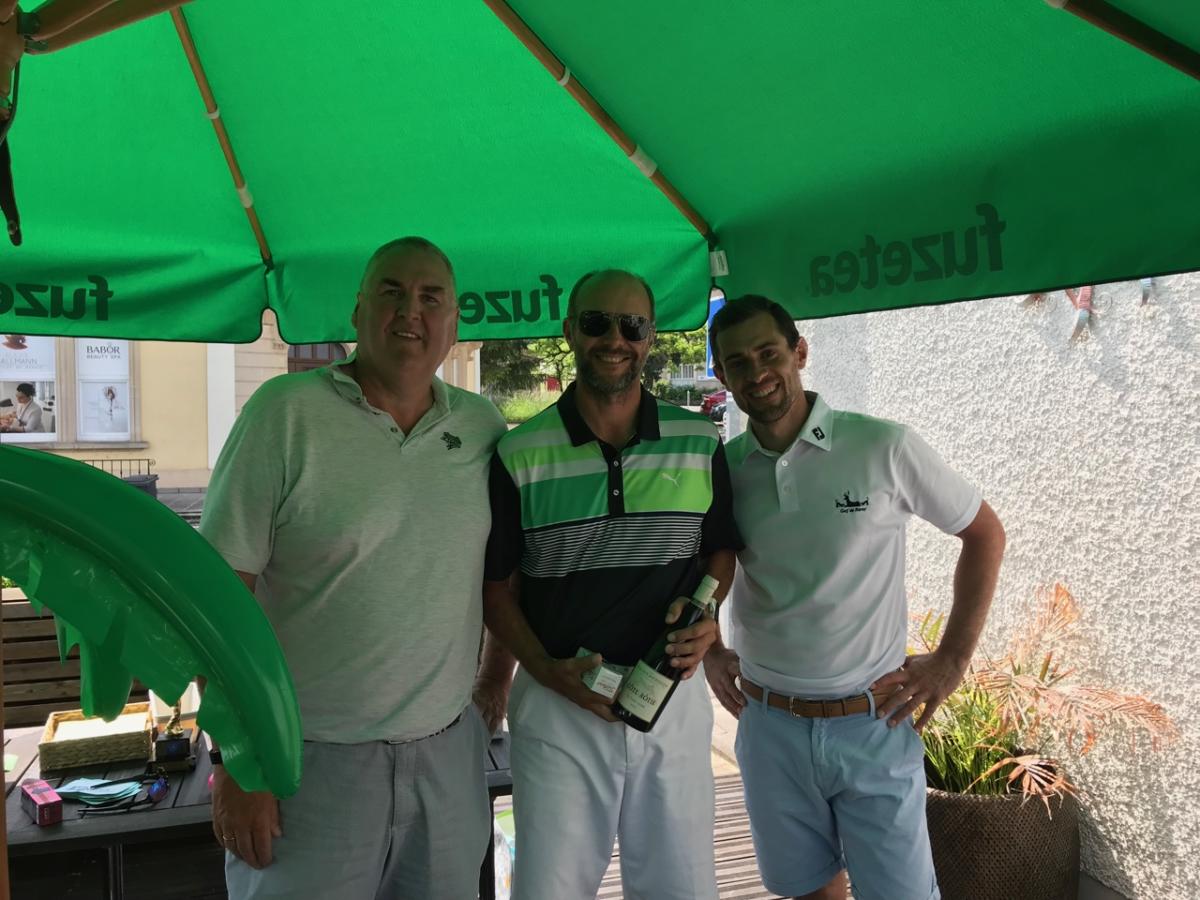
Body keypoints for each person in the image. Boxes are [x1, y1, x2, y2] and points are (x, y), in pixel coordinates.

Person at [198, 237, 508, 900]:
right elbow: (216, 600)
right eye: (391, 292)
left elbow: (504, 573)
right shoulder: (283, 414)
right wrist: (237, 760)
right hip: (304, 767)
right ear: (358, 311)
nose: (411, 311)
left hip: (447, 764)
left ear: (455, 323)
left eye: (431, 297)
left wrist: (493, 682)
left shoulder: (483, 427)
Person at [704, 295, 1006, 900]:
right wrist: (711, 645)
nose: (757, 372)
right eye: (737, 362)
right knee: (810, 892)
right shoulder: (723, 469)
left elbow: (984, 534)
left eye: (768, 353)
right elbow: (707, 561)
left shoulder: (883, 446)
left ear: (800, 352)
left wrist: (952, 659)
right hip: (769, 727)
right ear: (723, 377)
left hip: (873, 722)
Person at [476, 269, 742, 900]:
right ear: (570, 330)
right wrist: (543, 670)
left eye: (632, 325)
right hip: (559, 711)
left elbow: (720, 551)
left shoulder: (699, 440)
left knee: (682, 890)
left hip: (670, 701)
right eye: (597, 323)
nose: (615, 339)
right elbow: (495, 589)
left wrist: (706, 614)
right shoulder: (518, 452)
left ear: (650, 337)